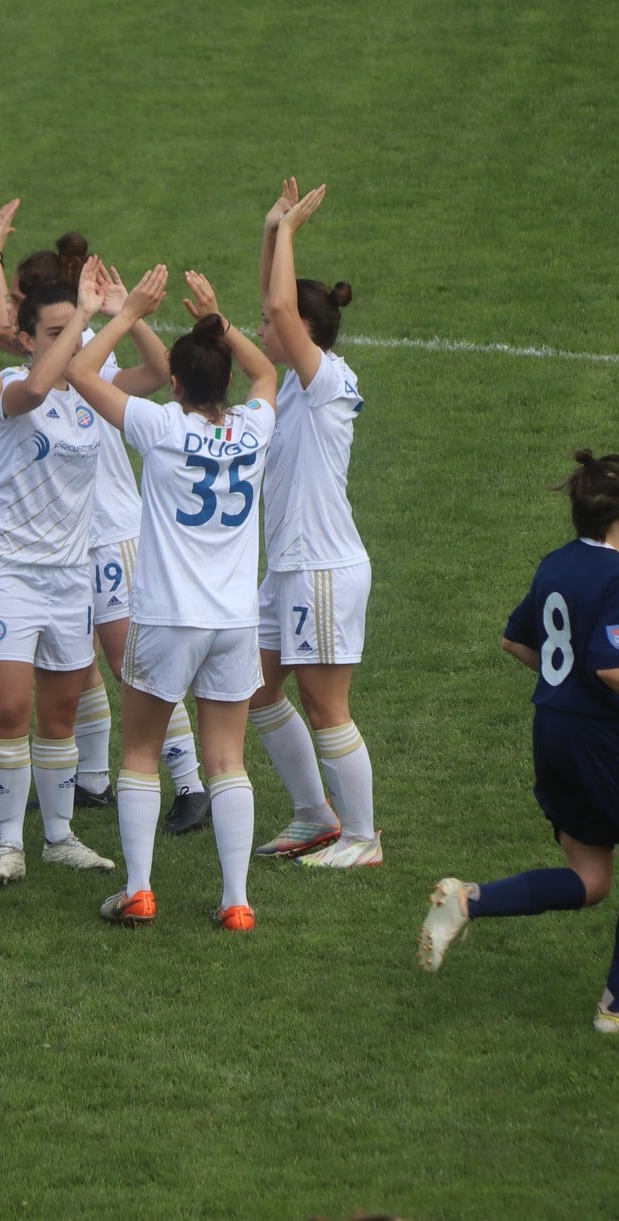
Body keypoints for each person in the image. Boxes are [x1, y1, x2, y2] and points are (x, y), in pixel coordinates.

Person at [419, 451, 619, 1034]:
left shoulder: (555, 564)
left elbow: (516, 641)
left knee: (591, 879)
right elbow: (610, 666)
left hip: (551, 730)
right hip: (601, 738)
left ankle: (466, 900)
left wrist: (564, 683)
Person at [0, 205, 205, 830]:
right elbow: (1, 335)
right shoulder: (33, 377)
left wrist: (129, 313)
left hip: (113, 539)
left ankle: (188, 781)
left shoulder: (88, 380)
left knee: (131, 667)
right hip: (63, 553)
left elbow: (155, 372)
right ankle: (89, 780)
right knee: (77, 675)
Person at [70, 268, 275, 931]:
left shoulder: (160, 427)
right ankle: (237, 900)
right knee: (226, 760)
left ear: (179, 386)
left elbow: (79, 372)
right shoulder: (253, 428)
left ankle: (138, 889)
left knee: (138, 753)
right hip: (235, 621)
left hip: (164, 617)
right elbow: (267, 374)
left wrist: (127, 313)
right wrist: (219, 319)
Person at [0, 264, 120, 885]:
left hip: (69, 580)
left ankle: (58, 836)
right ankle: (8, 844)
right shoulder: (10, 386)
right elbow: (33, 393)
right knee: (10, 709)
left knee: (60, 714)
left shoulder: (88, 394)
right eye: (54, 332)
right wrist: (83, 315)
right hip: (6, 573)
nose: (70, 344)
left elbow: (155, 378)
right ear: (27, 340)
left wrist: (120, 315)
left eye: (74, 332)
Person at [251, 180, 381, 869]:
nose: (260, 328)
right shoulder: (306, 379)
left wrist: (292, 230)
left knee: (326, 704)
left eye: (272, 327)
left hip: (321, 569)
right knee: (255, 687)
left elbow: (278, 302)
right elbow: (272, 299)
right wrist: (273, 229)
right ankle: (313, 814)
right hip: (290, 567)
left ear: (301, 332)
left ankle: (363, 838)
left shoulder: (323, 379)